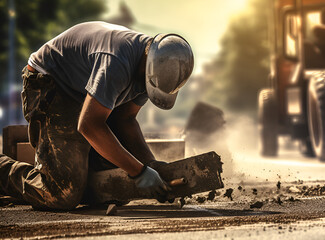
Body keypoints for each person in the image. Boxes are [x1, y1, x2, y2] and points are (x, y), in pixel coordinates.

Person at [0, 21, 194, 210]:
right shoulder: (117, 62)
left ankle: (79, 178)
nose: (146, 90)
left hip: (84, 93)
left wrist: (151, 165)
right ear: (148, 65)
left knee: (117, 185)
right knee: (61, 193)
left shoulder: (150, 73)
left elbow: (125, 120)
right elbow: (89, 125)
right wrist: (140, 171)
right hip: (53, 85)